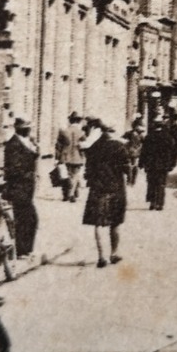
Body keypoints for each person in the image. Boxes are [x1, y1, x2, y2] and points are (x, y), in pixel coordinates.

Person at [80, 119, 128, 268]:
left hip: (97, 188)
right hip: (116, 188)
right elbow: (126, 168)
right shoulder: (119, 147)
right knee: (115, 222)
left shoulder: (93, 147)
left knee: (98, 223)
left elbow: (87, 171)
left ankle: (101, 257)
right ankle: (114, 253)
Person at [2, 117, 39, 258]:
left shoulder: (26, 141)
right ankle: (22, 251)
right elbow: (13, 168)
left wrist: (35, 147)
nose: (29, 129)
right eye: (27, 127)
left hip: (26, 187)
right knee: (25, 218)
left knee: (29, 219)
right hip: (18, 187)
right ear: (20, 128)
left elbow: (33, 155)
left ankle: (26, 250)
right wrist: (28, 174)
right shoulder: (14, 144)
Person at [140, 118, 177, 211]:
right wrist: (172, 163)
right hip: (163, 165)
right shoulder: (168, 137)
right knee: (161, 184)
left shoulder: (149, 137)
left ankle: (152, 203)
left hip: (151, 165)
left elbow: (144, 151)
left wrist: (141, 163)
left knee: (151, 183)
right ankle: (159, 204)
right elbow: (174, 152)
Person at [54, 113, 85, 203]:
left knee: (66, 175)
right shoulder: (81, 133)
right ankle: (71, 194)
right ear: (79, 121)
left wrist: (57, 158)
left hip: (65, 156)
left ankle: (67, 194)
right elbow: (84, 146)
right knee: (74, 176)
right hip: (77, 157)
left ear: (70, 121)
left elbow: (58, 146)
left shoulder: (64, 131)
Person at [123, 117, 145, 187]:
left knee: (130, 166)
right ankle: (132, 181)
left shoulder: (129, 133)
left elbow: (122, 139)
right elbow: (144, 143)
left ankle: (129, 180)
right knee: (134, 166)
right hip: (136, 152)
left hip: (130, 151)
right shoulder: (140, 135)